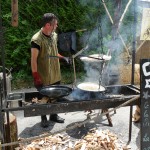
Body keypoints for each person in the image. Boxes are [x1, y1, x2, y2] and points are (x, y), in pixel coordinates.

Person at [31, 13, 70, 128]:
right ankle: (43, 118)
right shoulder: (36, 40)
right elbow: (33, 60)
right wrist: (36, 76)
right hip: (44, 75)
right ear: (48, 25)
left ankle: (53, 115)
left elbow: (54, 53)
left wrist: (62, 57)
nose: (56, 26)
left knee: (56, 96)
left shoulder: (54, 35)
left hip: (55, 73)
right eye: (55, 24)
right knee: (44, 98)